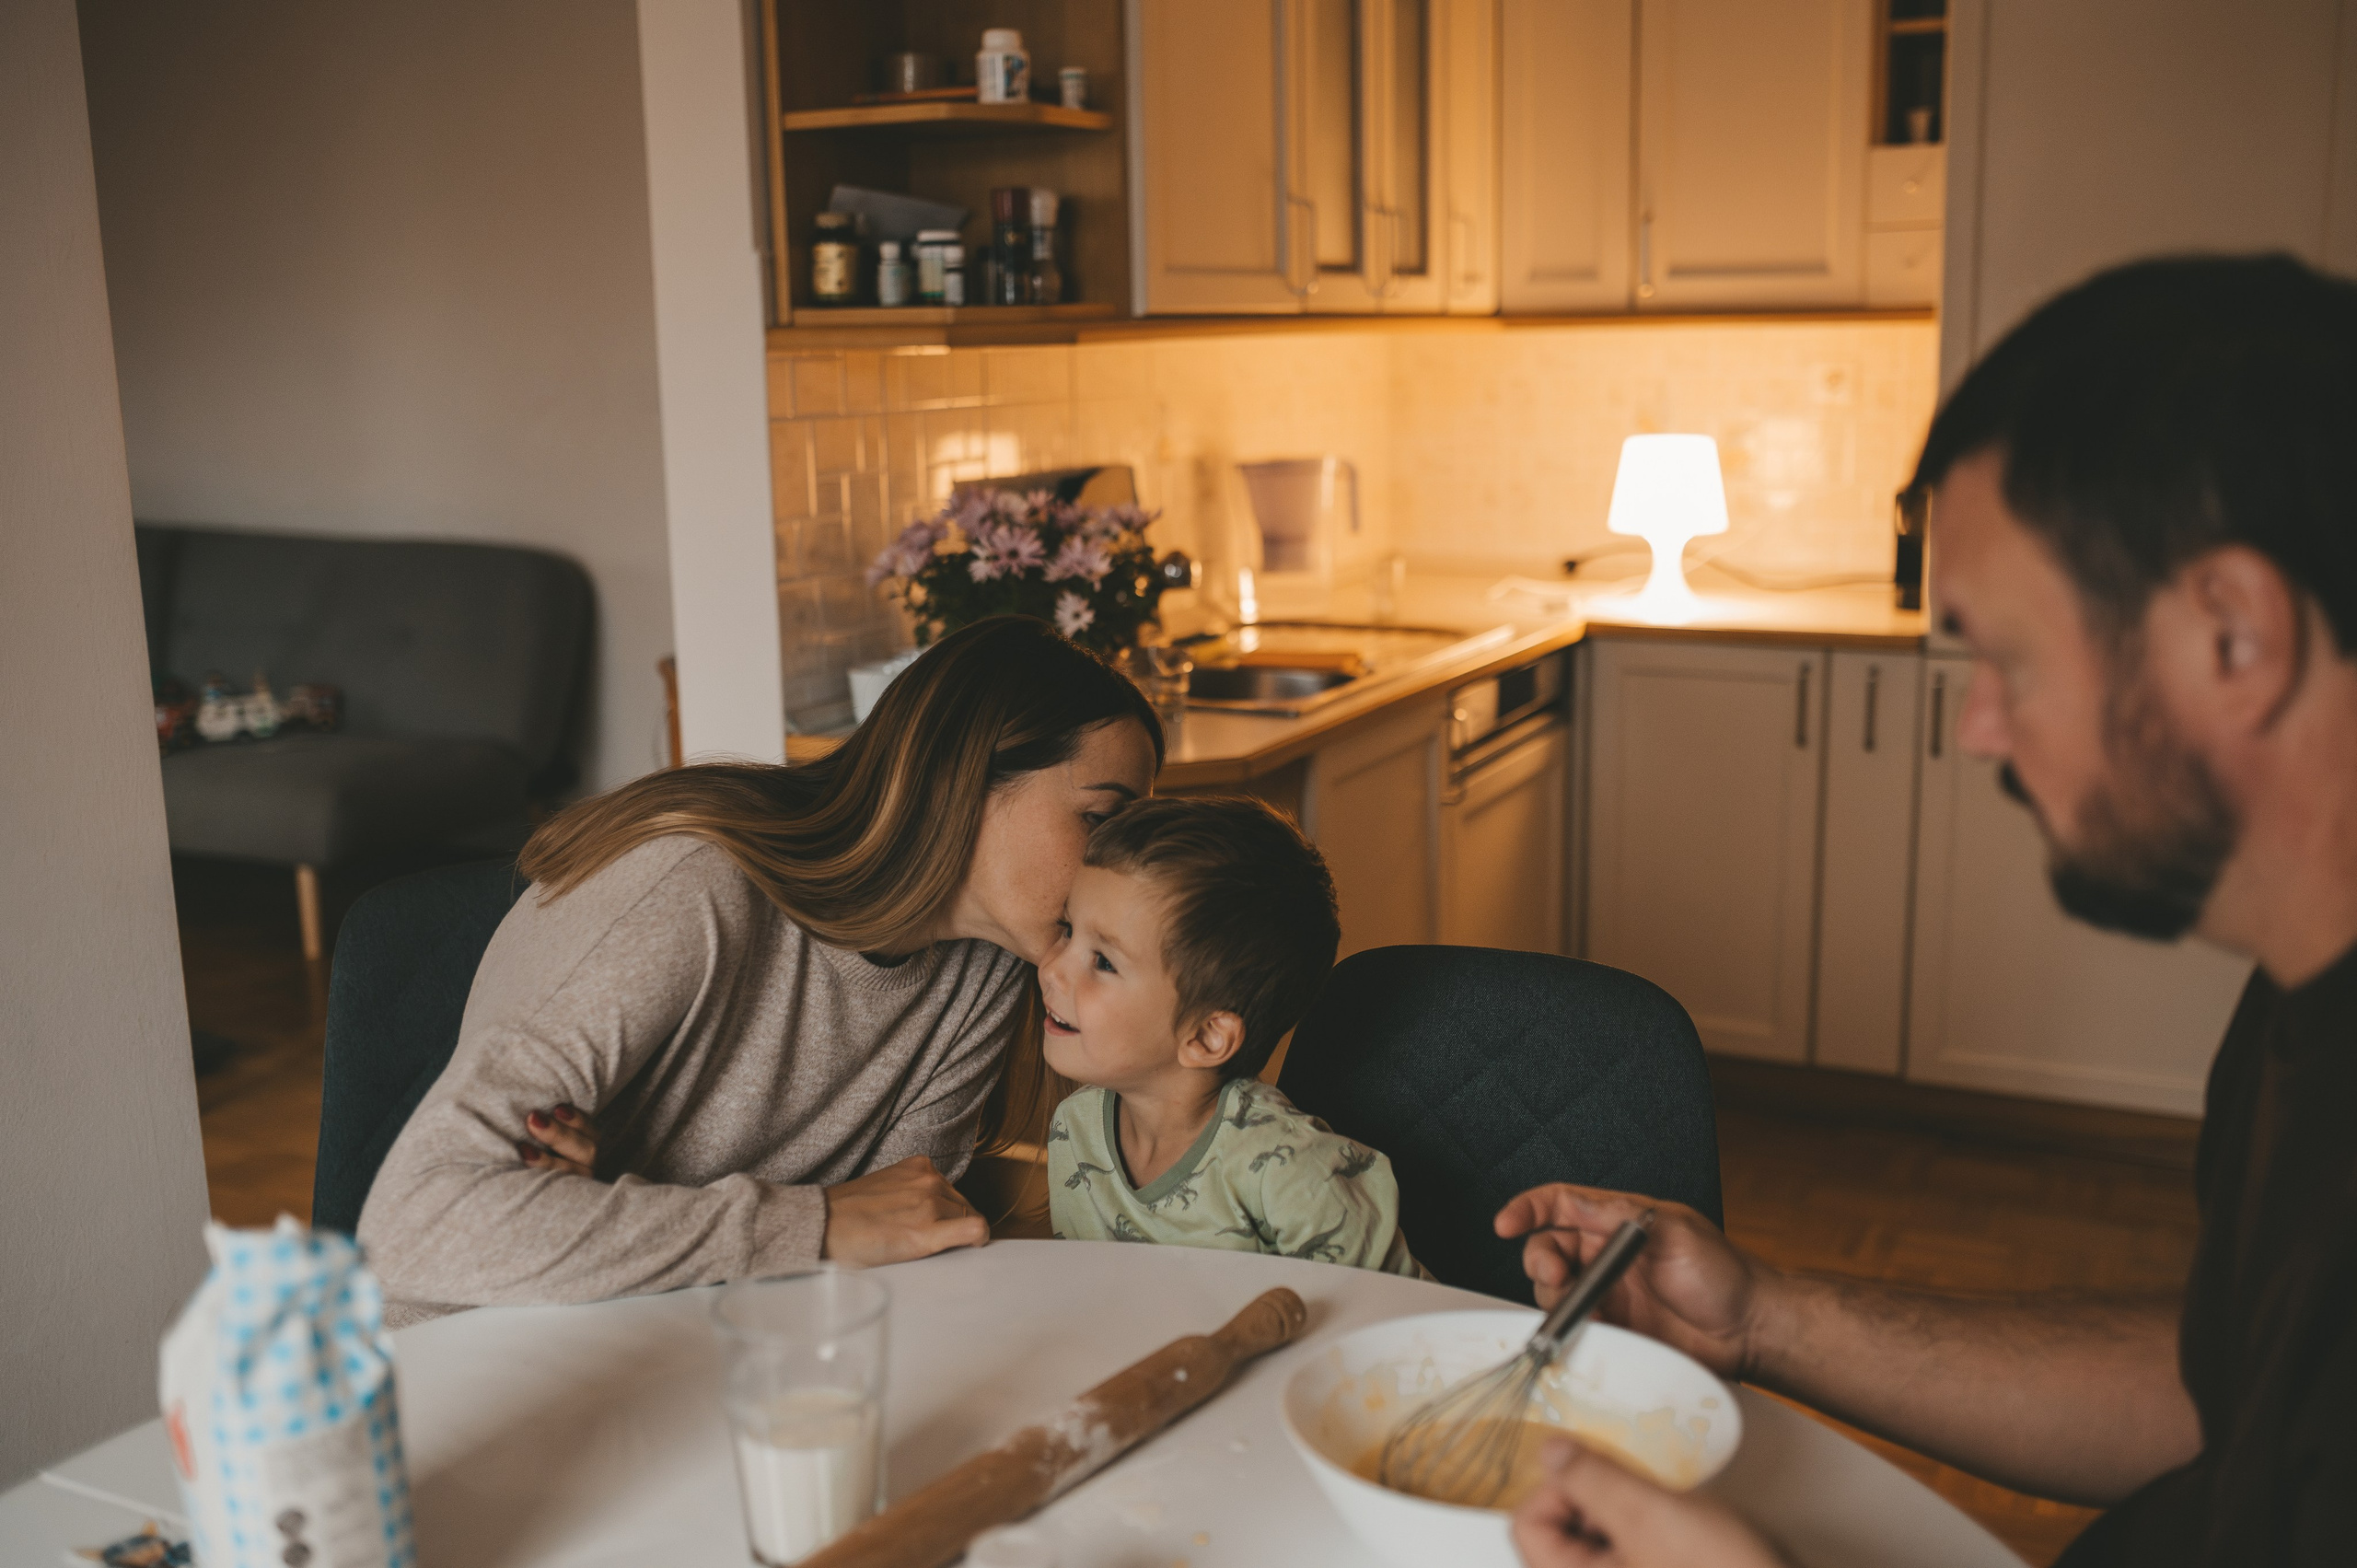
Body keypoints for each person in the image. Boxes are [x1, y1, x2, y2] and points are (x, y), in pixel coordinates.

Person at [1505, 254, 2357, 1567]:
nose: (1977, 728)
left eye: (2008, 657)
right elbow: (2231, 1390)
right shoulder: (2300, 1005)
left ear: (2234, 633)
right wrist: (1760, 1316)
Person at [355, 616, 1162, 1326]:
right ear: (965, 774)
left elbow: (895, 1240)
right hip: (461, 1366)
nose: (1115, 868)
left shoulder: (984, 970)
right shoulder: (687, 886)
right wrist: (813, 1223)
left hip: (688, 1346)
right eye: (1099, 818)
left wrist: (598, 1218)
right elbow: (414, 1227)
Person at [1039, 796, 1427, 1276]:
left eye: (1103, 961)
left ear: (1206, 1037)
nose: (1052, 968)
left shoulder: (1295, 1172)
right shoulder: (1075, 1127)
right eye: (1067, 929)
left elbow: (1387, 1311)